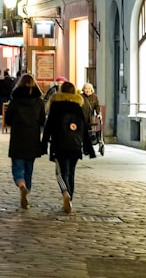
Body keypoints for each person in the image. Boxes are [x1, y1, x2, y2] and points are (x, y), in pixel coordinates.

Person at [42, 81, 95, 214]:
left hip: (59, 145)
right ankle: (70, 199)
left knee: (61, 173)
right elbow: (83, 129)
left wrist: (43, 145)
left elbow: (48, 127)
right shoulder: (78, 107)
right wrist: (89, 148)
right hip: (75, 146)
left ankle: (65, 193)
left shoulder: (56, 106)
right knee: (71, 172)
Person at [5, 74, 46, 209]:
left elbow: (8, 119)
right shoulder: (39, 101)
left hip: (18, 138)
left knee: (18, 166)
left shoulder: (15, 100)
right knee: (29, 168)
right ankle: (26, 191)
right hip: (33, 139)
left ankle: (21, 185)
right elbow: (42, 121)